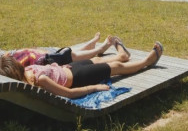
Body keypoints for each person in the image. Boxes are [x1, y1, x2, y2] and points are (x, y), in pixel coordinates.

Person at [0, 41, 163, 99]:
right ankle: (147, 61)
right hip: (78, 77)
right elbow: (69, 93)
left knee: (98, 59)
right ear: (16, 69)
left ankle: (123, 55)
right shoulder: (39, 80)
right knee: (115, 68)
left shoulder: (28, 70)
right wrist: (95, 87)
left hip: (68, 68)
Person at [0, 33, 115, 67]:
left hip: (33, 56)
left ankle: (89, 46)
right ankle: (98, 49)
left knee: (65, 53)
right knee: (66, 55)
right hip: (39, 62)